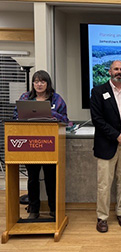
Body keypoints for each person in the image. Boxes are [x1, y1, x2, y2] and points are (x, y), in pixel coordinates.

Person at [13, 70, 69, 219]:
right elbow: (15, 116)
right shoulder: (25, 97)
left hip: (50, 144)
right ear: (33, 84)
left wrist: (50, 114)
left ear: (47, 83)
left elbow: (66, 120)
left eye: (42, 81)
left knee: (51, 178)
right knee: (32, 178)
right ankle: (34, 210)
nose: (39, 84)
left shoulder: (57, 99)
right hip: (30, 144)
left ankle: (53, 209)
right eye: (36, 81)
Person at [90, 60, 121, 233]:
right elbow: (97, 119)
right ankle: (102, 217)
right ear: (109, 71)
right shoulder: (98, 91)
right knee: (104, 183)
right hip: (106, 145)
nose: (119, 71)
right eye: (116, 69)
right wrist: (116, 135)